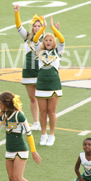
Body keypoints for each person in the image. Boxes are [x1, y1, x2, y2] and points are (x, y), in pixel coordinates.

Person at [33, 16, 65, 146]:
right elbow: (35, 39)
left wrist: (53, 29)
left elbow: (62, 39)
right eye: (46, 40)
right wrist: (43, 29)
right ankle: (43, 134)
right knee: (43, 112)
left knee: (51, 112)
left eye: (51, 39)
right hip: (41, 85)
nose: (48, 41)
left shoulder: (58, 51)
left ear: (54, 42)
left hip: (54, 85)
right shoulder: (39, 51)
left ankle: (51, 135)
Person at [13, 5, 44, 131]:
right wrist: (17, 13)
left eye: (39, 26)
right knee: (32, 98)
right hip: (28, 70)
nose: (36, 28)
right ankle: (35, 122)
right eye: (35, 26)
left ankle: (42, 120)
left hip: (41, 70)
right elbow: (18, 26)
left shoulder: (46, 39)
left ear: (43, 27)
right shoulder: (27, 37)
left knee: (41, 97)